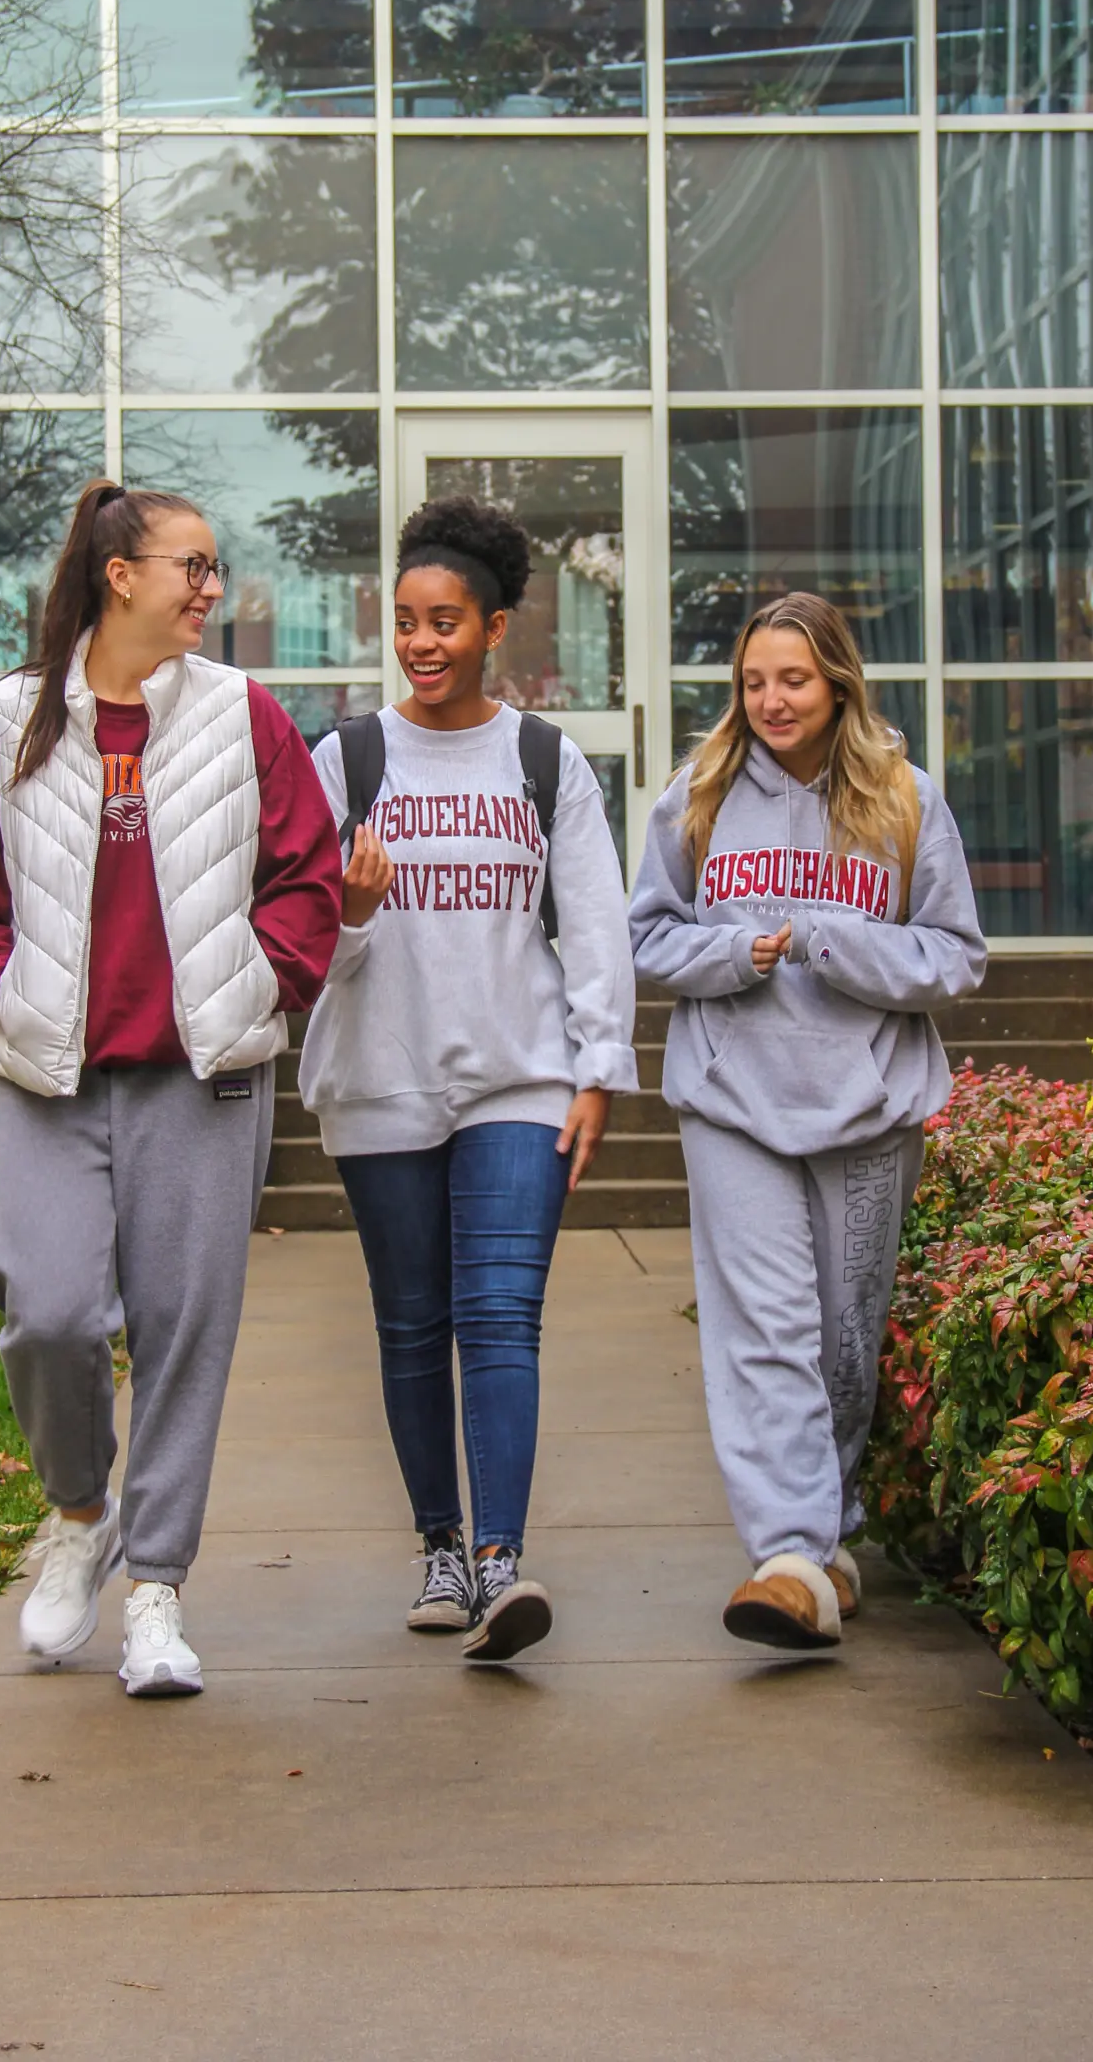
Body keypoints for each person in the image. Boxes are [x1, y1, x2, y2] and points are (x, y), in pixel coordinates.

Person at [0, 479, 342, 1698]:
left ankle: (156, 1586)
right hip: (52, 1075)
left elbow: (305, 874)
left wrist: (268, 984)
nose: (211, 589)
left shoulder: (242, 715)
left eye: (214, 569)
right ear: (120, 575)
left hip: (198, 1077)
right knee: (46, 1310)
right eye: (191, 566)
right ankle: (77, 1511)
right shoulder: (9, 720)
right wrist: (4, 989)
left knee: (182, 1336)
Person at [298, 495, 638, 1662]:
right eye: (405, 620)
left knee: (501, 1315)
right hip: (381, 1075)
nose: (423, 642)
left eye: (447, 620)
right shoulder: (344, 760)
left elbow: (596, 930)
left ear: (498, 626)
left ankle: (501, 1564)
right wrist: (347, 913)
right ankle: (439, 1543)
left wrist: (597, 1072)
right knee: (410, 1324)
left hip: (517, 1076)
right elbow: (302, 947)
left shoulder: (546, 761)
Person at [629, 593, 985, 1652]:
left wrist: (837, 945)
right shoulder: (694, 798)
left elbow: (957, 956)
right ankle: (786, 1550)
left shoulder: (907, 801)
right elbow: (647, 936)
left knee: (842, 1343)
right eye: (752, 681)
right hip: (733, 1099)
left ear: (837, 682)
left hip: (870, 1105)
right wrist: (738, 955)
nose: (771, 700)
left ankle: (827, 1538)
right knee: (764, 1331)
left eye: (792, 679)